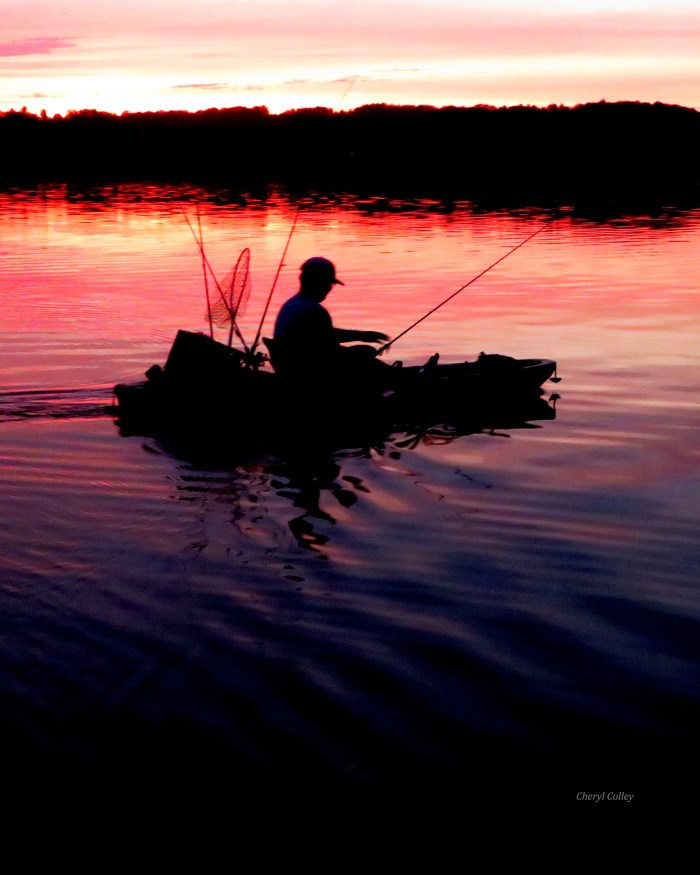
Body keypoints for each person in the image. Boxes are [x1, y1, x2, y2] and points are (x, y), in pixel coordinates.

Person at [271, 256, 389, 387]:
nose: (329, 288)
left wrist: (362, 337)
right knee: (371, 364)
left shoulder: (291, 305)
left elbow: (318, 338)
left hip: (291, 368)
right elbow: (326, 346)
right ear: (317, 282)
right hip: (309, 375)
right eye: (329, 283)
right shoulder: (313, 310)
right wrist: (360, 348)